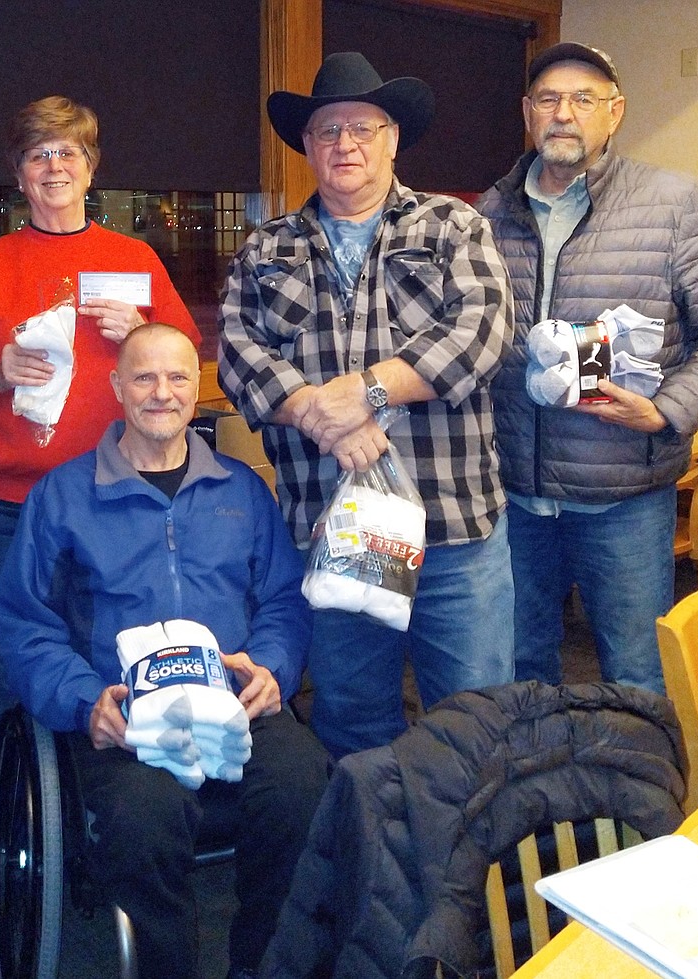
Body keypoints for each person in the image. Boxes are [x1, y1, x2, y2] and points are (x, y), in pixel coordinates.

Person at [0, 323, 331, 979]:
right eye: (143, 376)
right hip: (127, 719)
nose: (161, 391)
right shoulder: (64, 496)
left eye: (178, 376)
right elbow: (23, 617)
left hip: (237, 703)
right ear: (117, 387)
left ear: (194, 389)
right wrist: (83, 700)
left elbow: (284, 600)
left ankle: (265, 966)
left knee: (303, 786)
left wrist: (274, 667)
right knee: (143, 819)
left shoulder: (240, 489)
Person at [218, 52, 516, 758]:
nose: (344, 144)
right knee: (353, 720)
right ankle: (374, 862)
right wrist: (321, 414)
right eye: (327, 131)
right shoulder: (268, 248)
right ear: (308, 145)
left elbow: (483, 333)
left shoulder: (454, 227)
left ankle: (467, 868)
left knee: (476, 720)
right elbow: (237, 352)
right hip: (335, 534)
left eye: (362, 127)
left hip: (454, 532)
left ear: (392, 139)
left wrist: (369, 389)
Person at [477, 43, 698, 693]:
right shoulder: (484, 217)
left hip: (625, 499)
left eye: (584, 99)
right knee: (520, 667)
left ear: (616, 113)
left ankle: (632, 797)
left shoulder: (675, 205)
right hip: (513, 495)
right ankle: (540, 791)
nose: (564, 114)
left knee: (636, 672)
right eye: (548, 99)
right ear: (527, 113)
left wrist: (667, 409)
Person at [0, 96, 200, 776]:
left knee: (109, 657)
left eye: (67, 153)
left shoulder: (133, 259)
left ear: (91, 170)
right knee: (6, 670)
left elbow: (184, 360)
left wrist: (139, 332)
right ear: (19, 176)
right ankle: (12, 834)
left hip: (109, 502)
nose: (53, 166)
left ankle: (99, 819)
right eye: (37, 154)